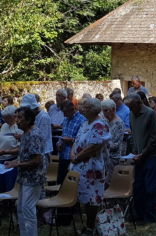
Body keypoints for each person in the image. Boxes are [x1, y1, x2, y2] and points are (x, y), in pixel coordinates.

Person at [70, 98, 110, 234]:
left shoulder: (100, 124)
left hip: (92, 168)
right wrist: (72, 154)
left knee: (93, 198)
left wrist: (76, 157)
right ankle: (89, 226)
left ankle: (91, 227)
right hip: (80, 166)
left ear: (92, 110)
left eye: (85, 107)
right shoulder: (85, 123)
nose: (81, 109)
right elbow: (76, 141)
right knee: (85, 198)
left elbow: (94, 147)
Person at [7, 106, 47, 236]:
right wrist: (13, 161)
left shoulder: (34, 135)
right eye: (16, 117)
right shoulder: (25, 133)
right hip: (24, 176)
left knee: (28, 208)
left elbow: (36, 161)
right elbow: (24, 153)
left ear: (29, 120)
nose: (17, 120)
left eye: (20, 118)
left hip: (33, 178)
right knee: (21, 207)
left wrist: (17, 164)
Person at [125, 93, 156, 223]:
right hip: (139, 156)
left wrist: (143, 153)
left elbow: (155, 138)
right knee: (138, 187)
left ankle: (149, 216)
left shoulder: (150, 114)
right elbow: (134, 136)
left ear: (139, 103)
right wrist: (135, 152)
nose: (129, 110)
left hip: (151, 156)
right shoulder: (131, 114)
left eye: (131, 107)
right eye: (128, 107)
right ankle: (139, 215)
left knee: (150, 188)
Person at [0, 105, 21, 192]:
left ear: (14, 117)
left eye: (7, 118)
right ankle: (1, 204)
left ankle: (9, 205)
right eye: (4, 118)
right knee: (0, 187)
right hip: (1, 161)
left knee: (10, 186)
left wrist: (5, 152)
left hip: (12, 161)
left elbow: (20, 148)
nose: (5, 120)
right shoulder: (4, 126)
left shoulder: (19, 128)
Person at [56, 100, 85, 184]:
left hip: (73, 156)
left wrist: (71, 140)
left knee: (71, 184)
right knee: (61, 182)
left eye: (65, 112)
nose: (64, 115)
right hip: (63, 154)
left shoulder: (82, 120)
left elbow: (83, 140)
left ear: (72, 109)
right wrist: (59, 144)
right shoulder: (65, 119)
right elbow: (63, 134)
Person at [101, 99, 125, 184]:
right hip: (103, 157)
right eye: (103, 111)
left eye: (106, 110)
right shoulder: (105, 121)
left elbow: (116, 145)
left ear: (113, 110)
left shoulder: (119, 123)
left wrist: (102, 143)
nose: (104, 113)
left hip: (112, 158)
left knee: (108, 183)